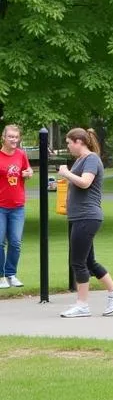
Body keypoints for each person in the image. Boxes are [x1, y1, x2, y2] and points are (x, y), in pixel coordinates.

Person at [57, 128, 113, 318]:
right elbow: (78, 183)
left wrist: (66, 173)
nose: (68, 146)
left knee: (78, 262)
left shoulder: (92, 159)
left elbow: (86, 182)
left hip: (87, 216)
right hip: (79, 216)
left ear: (79, 141)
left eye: (69, 142)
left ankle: (82, 305)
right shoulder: (81, 161)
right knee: (89, 261)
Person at [0, 123, 33, 289]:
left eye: (16, 137)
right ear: (3, 138)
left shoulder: (21, 154)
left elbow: (28, 171)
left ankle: (11, 274)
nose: (14, 139)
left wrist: (28, 173)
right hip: (0, 206)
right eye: (10, 136)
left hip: (18, 205)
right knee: (0, 242)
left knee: (15, 242)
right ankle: (1, 277)